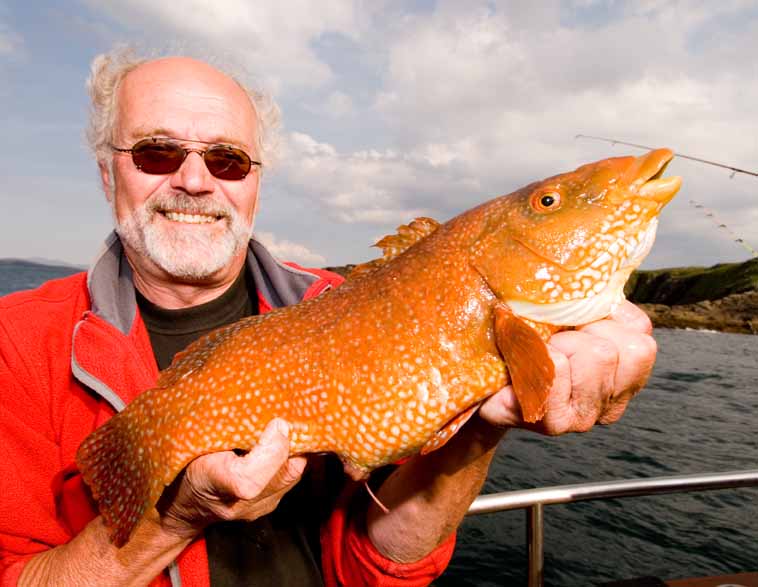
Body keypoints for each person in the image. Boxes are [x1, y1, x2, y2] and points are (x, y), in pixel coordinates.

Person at [0, 48, 657, 587]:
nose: (195, 180)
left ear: (255, 178)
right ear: (106, 171)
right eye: (157, 151)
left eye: (227, 159)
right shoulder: (15, 341)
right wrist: (174, 519)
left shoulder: (331, 303)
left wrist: (483, 425)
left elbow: (382, 567)